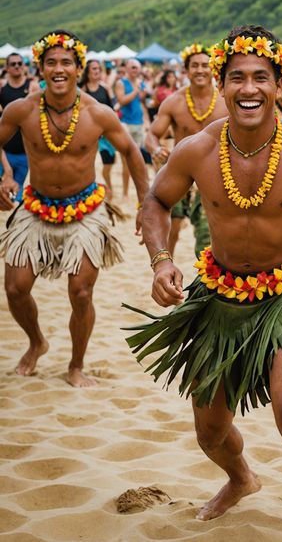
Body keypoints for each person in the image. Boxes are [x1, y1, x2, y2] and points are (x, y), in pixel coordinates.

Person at [124, 25, 282, 541]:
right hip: (219, 295)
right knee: (210, 430)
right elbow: (155, 202)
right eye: (237, 77)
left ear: (279, 85)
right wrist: (161, 260)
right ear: (222, 85)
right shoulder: (198, 148)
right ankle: (241, 478)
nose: (249, 88)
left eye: (261, 77)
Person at [0, 30, 149, 387]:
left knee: (80, 292)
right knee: (16, 288)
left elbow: (131, 152)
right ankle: (37, 342)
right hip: (36, 206)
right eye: (51, 62)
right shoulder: (21, 110)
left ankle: (76, 365)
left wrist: (146, 203)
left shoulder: (98, 114)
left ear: (78, 69)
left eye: (66, 62)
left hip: (86, 209)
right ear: (40, 68)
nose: (59, 68)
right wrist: (3, 176)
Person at [145, 43, 227, 257]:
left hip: (215, 174)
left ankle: (207, 276)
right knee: (172, 224)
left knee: (206, 232)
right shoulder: (174, 102)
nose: (200, 70)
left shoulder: (225, 102)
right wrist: (155, 150)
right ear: (186, 70)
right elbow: (152, 134)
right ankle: (165, 265)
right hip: (179, 170)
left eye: (204, 65)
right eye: (194, 66)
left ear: (213, 69)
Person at [0, 53, 39, 199]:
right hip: (5, 149)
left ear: (24, 66)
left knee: (17, 193)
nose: (17, 66)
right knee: (3, 191)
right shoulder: (2, 87)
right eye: (13, 64)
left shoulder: (32, 86)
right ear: (7, 68)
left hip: (25, 150)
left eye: (19, 63)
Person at [79, 59, 116, 199]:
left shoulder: (105, 88)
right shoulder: (82, 89)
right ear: (87, 73)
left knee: (109, 163)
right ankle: (90, 190)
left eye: (98, 69)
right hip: (87, 132)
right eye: (94, 69)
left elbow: (111, 109)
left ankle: (109, 188)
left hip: (104, 133)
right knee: (89, 163)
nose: (97, 71)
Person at [114, 58, 149, 199]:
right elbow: (121, 101)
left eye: (137, 68)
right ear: (127, 68)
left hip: (139, 123)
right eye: (133, 67)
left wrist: (143, 94)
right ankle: (125, 192)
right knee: (126, 160)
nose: (136, 70)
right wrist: (136, 91)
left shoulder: (140, 83)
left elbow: (140, 102)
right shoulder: (121, 83)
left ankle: (140, 190)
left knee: (139, 159)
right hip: (126, 124)